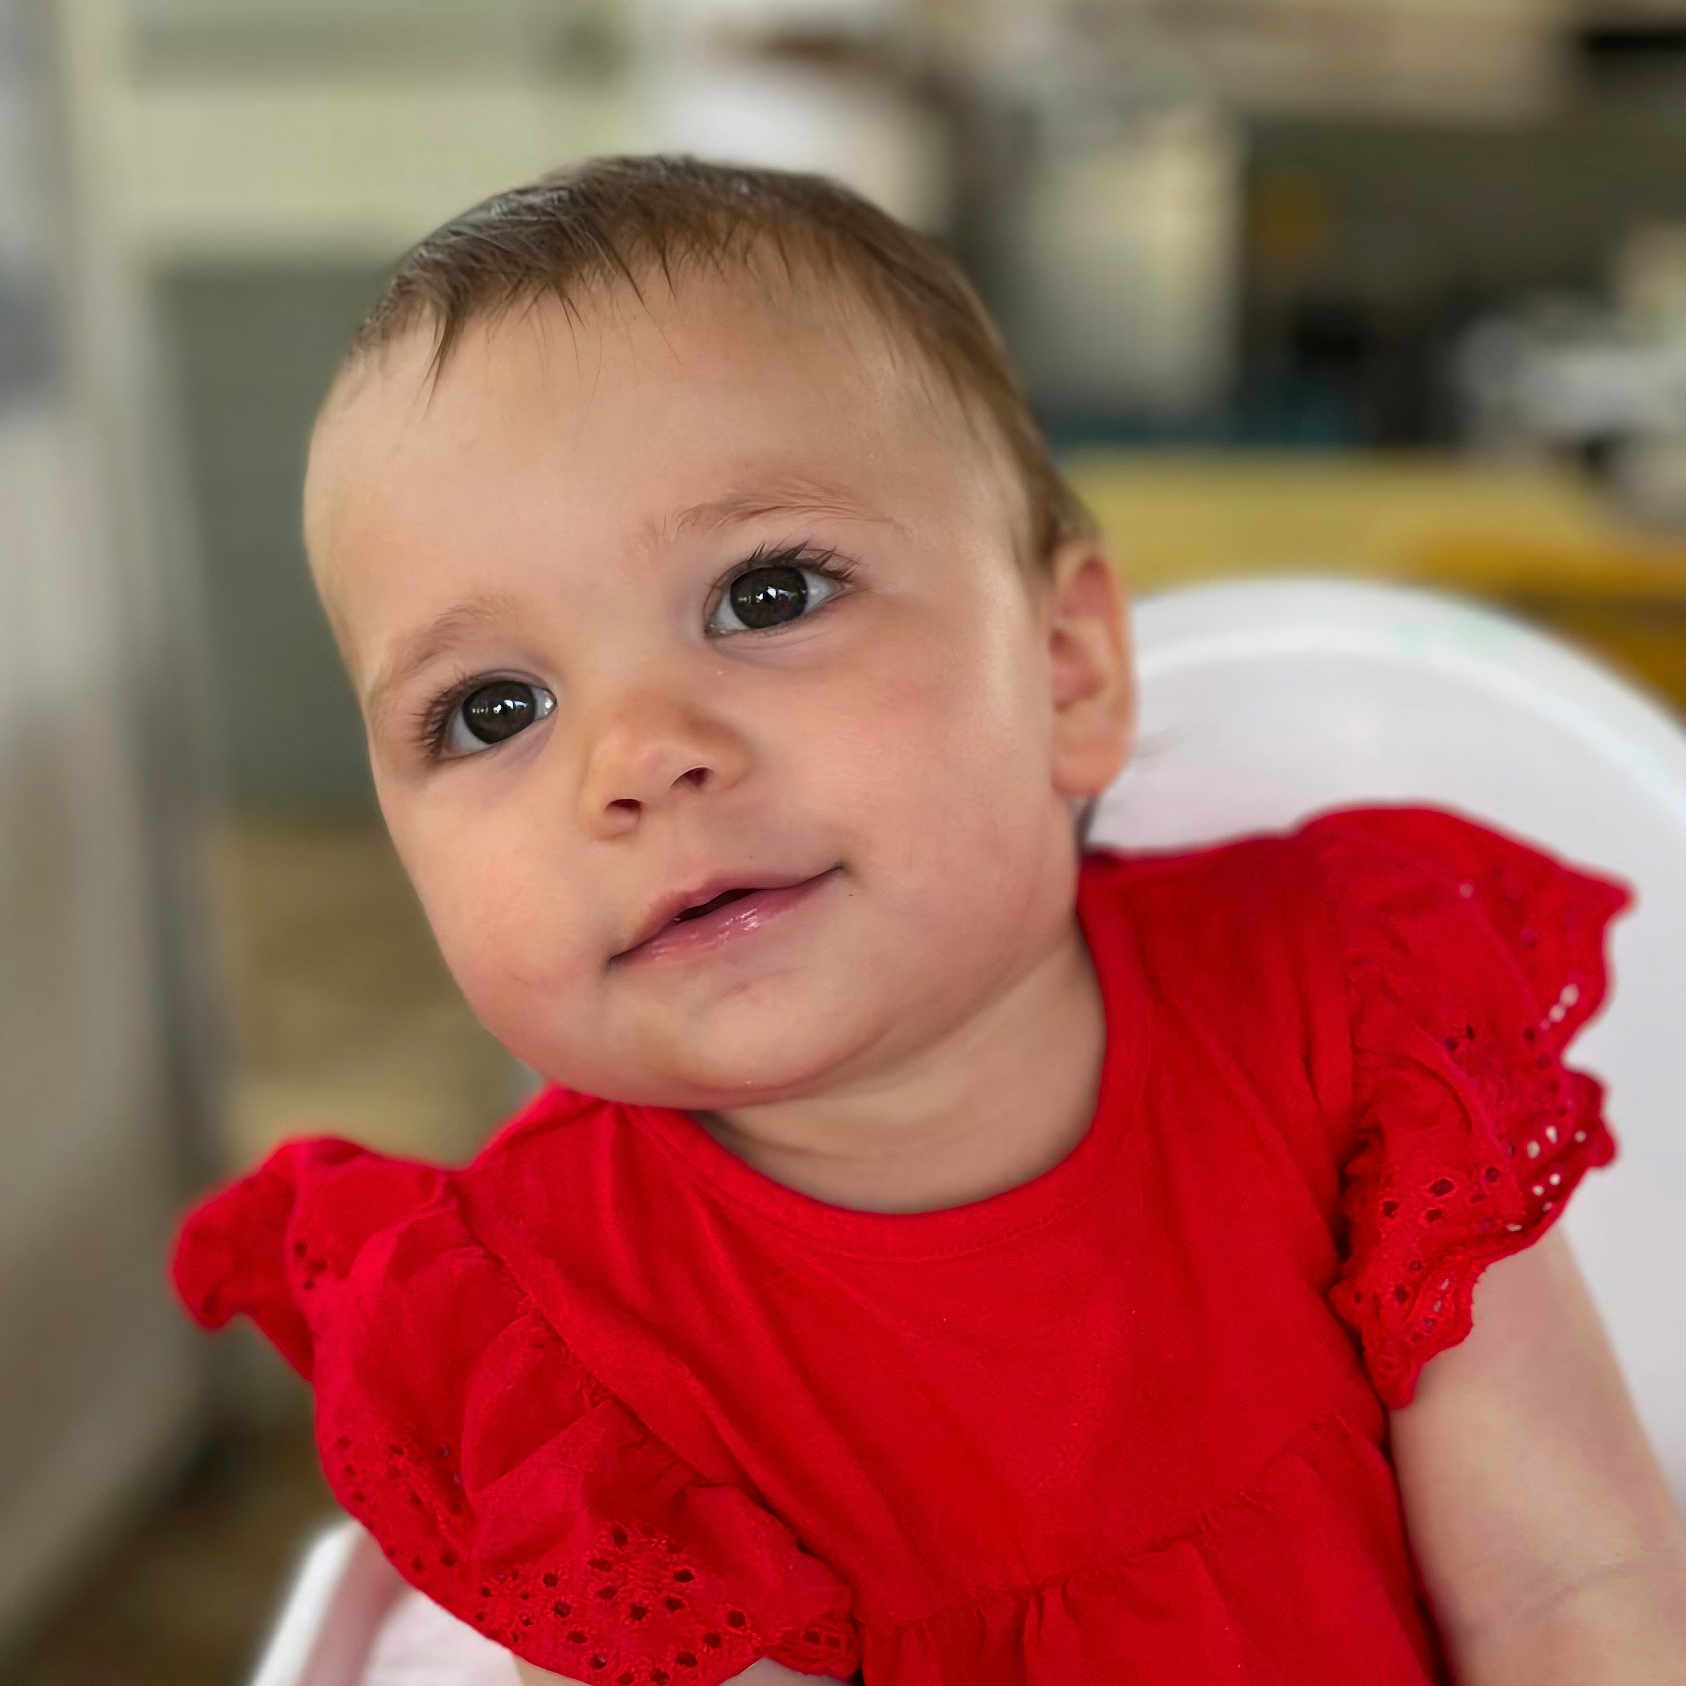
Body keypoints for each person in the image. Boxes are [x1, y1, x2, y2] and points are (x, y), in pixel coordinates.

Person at [171, 157, 1686, 1686]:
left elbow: (1574, 1592)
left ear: (1065, 667)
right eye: (491, 708)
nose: (637, 757)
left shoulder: (1350, 1015)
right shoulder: (547, 1354)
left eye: (766, 595)